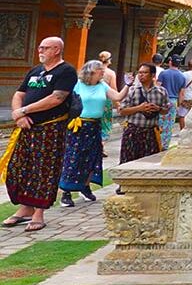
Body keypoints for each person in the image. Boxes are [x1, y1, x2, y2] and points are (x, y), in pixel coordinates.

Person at [2, 37, 78, 232]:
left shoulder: (66, 71)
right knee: (19, 168)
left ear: (56, 50)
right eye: (39, 47)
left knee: (43, 170)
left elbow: (57, 98)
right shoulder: (35, 71)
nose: (40, 50)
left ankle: (38, 213)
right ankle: (24, 208)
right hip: (26, 128)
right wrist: (19, 115)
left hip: (49, 128)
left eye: (45, 47)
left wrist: (25, 111)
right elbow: (19, 93)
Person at [58, 60, 127, 207]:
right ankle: (66, 192)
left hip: (95, 126)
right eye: (100, 70)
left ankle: (85, 186)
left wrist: (128, 85)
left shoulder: (102, 85)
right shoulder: (77, 84)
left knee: (93, 157)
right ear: (90, 72)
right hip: (78, 125)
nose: (103, 72)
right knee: (73, 157)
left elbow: (117, 97)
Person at [116, 63, 170, 192]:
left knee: (149, 160)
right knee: (128, 159)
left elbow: (166, 110)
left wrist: (158, 109)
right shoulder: (133, 90)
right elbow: (121, 110)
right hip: (133, 129)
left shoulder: (161, 91)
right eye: (139, 72)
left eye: (144, 73)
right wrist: (139, 108)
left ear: (152, 75)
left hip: (150, 130)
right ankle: (125, 185)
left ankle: (146, 185)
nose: (141, 75)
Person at [157, 56, 187, 145]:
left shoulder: (163, 73)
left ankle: (157, 143)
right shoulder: (182, 76)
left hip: (162, 100)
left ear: (170, 62)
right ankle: (165, 144)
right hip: (173, 101)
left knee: (159, 122)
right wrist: (179, 105)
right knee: (169, 124)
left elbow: (158, 87)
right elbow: (181, 94)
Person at [96, 51, 117, 144]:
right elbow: (113, 89)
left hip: (93, 100)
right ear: (109, 60)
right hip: (105, 101)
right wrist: (117, 103)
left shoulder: (93, 70)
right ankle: (102, 144)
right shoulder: (111, 73)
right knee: (105, 124)